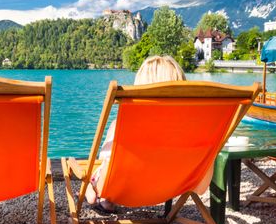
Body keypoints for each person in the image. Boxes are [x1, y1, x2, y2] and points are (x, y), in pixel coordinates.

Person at [85, 55, 214, 212]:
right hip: (172, 184)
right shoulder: (195, 128)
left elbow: (106, 158)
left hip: (125, 186)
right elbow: (201, 187)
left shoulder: (125, 126)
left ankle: (104, 199)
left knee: (104, 164)